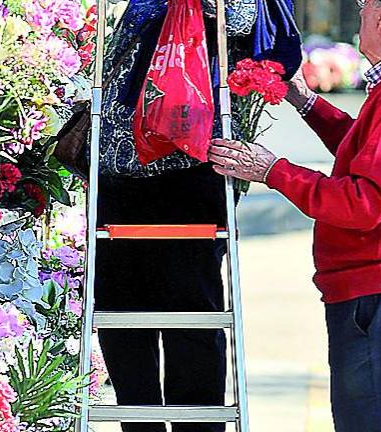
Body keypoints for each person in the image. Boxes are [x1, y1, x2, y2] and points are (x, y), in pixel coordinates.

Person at [209, 0, 381, 429]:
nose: (360, 11)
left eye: (364, 3)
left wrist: (272, 170)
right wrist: (308, 103)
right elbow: (373, 153)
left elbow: (363, 201)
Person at [93, 8, 228, 432]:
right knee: (120, 316)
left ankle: (197, 426)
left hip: (186, 170)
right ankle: (139, 424)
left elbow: (243, 23)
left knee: (190, 315)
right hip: (117, 175)